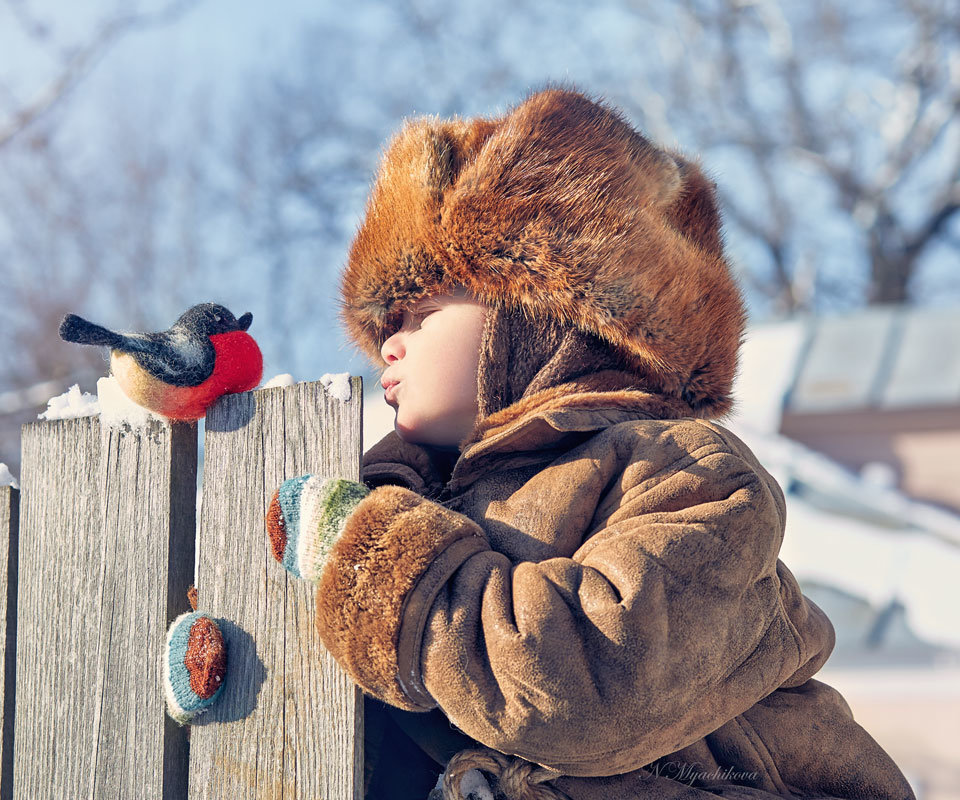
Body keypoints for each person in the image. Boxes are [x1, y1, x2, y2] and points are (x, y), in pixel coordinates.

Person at [264, 85, 915, 799]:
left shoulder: (689, 475)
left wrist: (393, 573)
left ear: (539, 310)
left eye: (418, 310)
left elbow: (589, 685)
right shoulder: (403, 503)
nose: (388, 342)